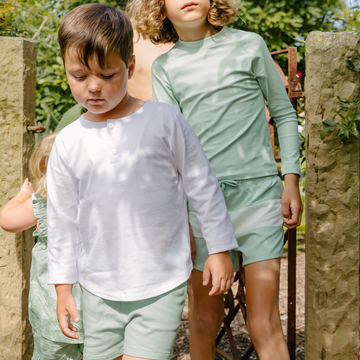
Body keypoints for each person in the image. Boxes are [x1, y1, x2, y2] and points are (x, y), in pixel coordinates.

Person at [47, 4, 238, 360]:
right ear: (66, 71)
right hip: (97, 287)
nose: (93, 87)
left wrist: (219, 248)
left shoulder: (166, 121)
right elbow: (62, 221)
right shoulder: (68, 142)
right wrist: (62, 288)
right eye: (79, 76)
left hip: (160, 283)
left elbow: (203, 186)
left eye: (107, 75)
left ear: (130, 66)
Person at [127, 1, 303, 359]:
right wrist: (181, 221)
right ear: (159, 9)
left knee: (263, 322)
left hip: (259, 199)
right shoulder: (166, 67)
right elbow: (172, 150)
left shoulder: (249, 45)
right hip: (201, 210)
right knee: (204, 321)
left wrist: (291, 180)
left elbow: (283, 113)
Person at [0, 133, 84, 360]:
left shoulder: (41, 202)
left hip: (52, 311)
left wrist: (22, 195)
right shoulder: (95, 201)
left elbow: (7, 220)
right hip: (96, 310)